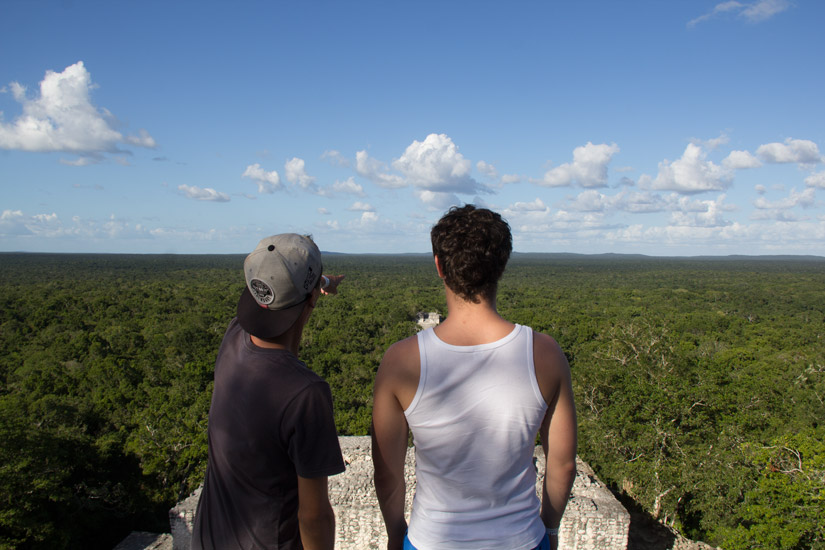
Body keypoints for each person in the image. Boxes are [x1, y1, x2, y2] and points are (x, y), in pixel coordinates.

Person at [372, 205, 577, 550]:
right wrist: (550, 530)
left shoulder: (400, 362)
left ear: (439, 266)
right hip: (522, 539)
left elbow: (388, 475)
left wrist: (396, 533)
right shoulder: (545, 354)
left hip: (431, 540)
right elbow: (563, 464)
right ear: (502, 265)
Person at [192, 233, 346, 550]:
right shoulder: (305, 393)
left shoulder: (234, 334)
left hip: (209, 539)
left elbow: (274, 289)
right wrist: (319, 281)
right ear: (312, 302)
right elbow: (313, 517)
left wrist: (323, 281)